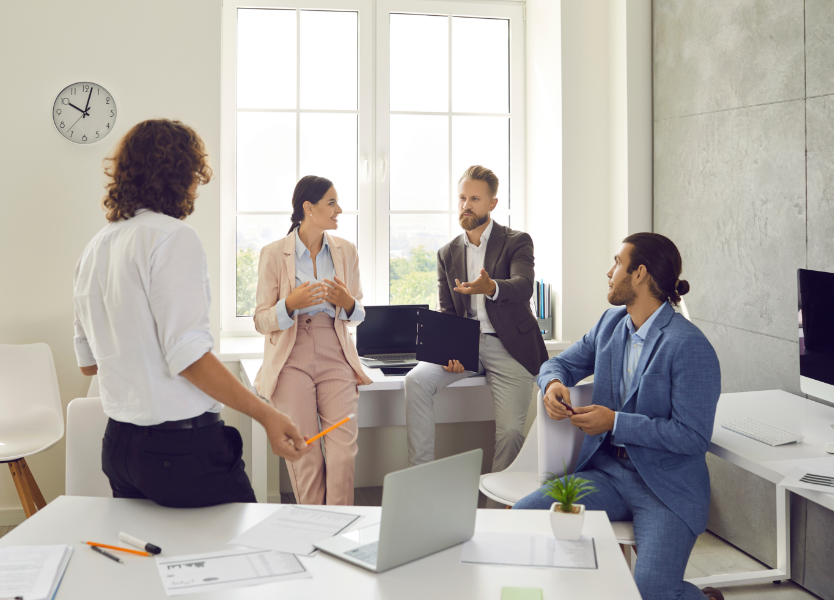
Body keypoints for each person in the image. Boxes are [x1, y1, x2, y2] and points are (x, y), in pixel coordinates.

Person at [73, 119, 312, 508]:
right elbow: (188, 356)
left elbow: (88, 365)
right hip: (180, 450)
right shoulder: (172, 237)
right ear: (181, 174)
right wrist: (267, 416)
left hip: (119, 447)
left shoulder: (96, 247)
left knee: (155, 564)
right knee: (241, 557)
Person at [513, 233, 724, 600]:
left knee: (649, 593)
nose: (609, 272)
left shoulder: (688, 345)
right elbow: (558, 363)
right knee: (521, 519)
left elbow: (692, 437)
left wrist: (615, 423)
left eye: (617, 263)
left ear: (639, 274)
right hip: (607, 473)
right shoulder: (610, 324)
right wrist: (553, 385)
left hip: (665, 489)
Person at [404, 165, 548, 477]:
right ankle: (420, 481)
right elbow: (448, 312)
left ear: (492, 204)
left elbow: (524, 285)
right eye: (462, 198)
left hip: (509, 346)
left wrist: (492, 287)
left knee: (510, 433)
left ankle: (495, 509)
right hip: (465, 343)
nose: (466, 205)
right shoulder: (447, 252)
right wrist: (449, 352)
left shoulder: (517, 241)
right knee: (416, 381)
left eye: (474, 199)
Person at [253, 175, 371, 506]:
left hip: (335, 350)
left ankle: (340, 536)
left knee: (342, 456)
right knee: (306, 456)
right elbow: (261, 320)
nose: (339, 210)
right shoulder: (274, 254)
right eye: (331, 203)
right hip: (291, 355)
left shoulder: (346, 251)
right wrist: (290, 305)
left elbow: (358, 312)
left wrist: (347, 302)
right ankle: (315, 535)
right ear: (309, 207)